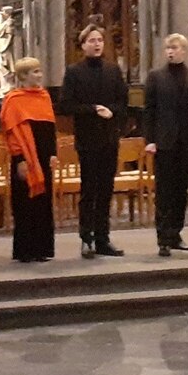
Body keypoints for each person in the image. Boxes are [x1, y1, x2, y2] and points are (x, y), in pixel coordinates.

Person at [58, 23, 128, 259]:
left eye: (99, 40)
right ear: (83, 45)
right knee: (90, 190)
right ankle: (86, 238)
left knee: (106, 190)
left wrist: (112, 112)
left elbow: (123, 102)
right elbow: (65, 105)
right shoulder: (74, 72)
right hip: (88, 139)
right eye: (92, 41)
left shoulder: (113, 70)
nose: (96, 44)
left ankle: (103, 238)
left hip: (109, 137)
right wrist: (92, 109)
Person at [143, 33, 188, 257]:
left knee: (181, 190)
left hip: (187, 142)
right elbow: (150, 111)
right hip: (164, 141)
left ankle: (176, 233)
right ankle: (163, 237)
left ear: (184, 50)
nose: (171, 51)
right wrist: (150, 140)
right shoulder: (156, 77)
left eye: (175, 47)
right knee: (164, 191)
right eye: (168, 48)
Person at [0, 57, 57, 263]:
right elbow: (11, 133)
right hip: (23, 157)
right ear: (23, 76)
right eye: (35, 72)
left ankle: (42, 249)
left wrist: (53, 154)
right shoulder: (13, 99)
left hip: (43, 157)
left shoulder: (45, 97)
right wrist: (20, 159)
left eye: (40, 71)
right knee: (24, 204)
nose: (40, 75)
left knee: (43, 203)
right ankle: (25, 250)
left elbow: (50, 129)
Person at [0, 5, 17, 97]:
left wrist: (2, 48)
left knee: (5, 67)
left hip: (4, 49)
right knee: (0, 68)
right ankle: (4, 87)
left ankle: (8, 86)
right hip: (0, 48)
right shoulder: (1, 24)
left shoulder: (9, 23)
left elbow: (9, 37)